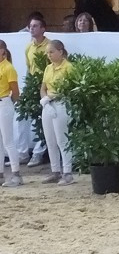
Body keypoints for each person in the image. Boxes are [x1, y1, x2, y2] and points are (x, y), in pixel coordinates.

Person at [40, 39, 75, 186]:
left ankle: (67, 172)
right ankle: (55, 170)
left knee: (62, 139)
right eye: (48, 52)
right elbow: (43, 87)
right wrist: (45, 100)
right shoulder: (48, 68)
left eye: (52, 52)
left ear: (60, 51)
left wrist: (51, 97)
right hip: (48, 104)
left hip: (61, 104)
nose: (49, 55)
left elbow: (69, 89)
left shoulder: (69, 67)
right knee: (50, 139)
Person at [22, 13, 49, 168]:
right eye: (30, 26)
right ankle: (24, 152)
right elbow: (28, 68)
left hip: (45, 85)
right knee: (31, 119)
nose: (31, 29)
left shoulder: (49, 46)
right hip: (33, 86)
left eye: (35, 26)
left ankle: (38, 154)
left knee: (43, 120)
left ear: (43, 29)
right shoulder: (28, 47)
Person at [0, 40, 23, 188]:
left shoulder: (8, 68)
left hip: (4, 102)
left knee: (8, 140)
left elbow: (15, 91)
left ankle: (16, 174)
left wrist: (12, 103)